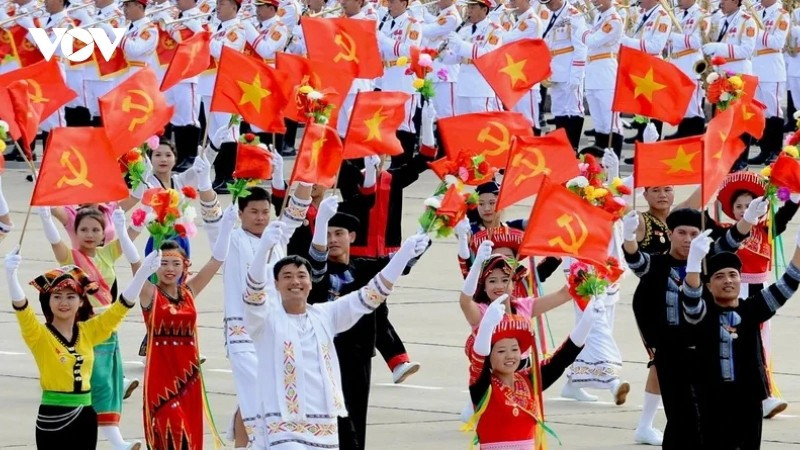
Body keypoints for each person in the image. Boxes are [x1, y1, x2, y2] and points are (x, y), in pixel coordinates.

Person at [242, 222, 429, 449]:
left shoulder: (325, 315)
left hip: (325, 431)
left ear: (310, 283)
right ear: (276, 284)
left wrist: (403, 255)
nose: (295, 281)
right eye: (287, 276)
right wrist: (263, 250)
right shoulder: (264, 321)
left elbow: (372, 294)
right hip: (283, 430)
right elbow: (253, 294)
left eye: (301, 276)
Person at [621, 198, 767, 448]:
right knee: (680, 417)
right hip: (671, 355)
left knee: (708, 419)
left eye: (693, 234)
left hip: (706, 354)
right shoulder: (657, 265)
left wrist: (750, 218)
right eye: (682, 233)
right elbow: (635, 258)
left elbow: (731, 240)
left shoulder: (705, 262)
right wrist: (628, 235)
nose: (688, 239)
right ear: (670, 234)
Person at [4, 248, 158, 448]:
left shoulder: (88, 331)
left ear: (81, 301)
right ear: (48, 301)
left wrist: (141, 275)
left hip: (86, 416)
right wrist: (11, 277)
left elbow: (119, 309)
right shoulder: (39, 335)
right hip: (53, 419)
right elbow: (22, 310)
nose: (64, 302)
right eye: (57, 296)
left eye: (70, 296)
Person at [306, 201, 429, 448]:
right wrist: (320, 222)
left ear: (351, 237)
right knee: (329, 421)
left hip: (358, 357)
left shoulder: (362, 268)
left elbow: (397, 266)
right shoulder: (314, 272)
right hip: (326, 355)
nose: (333, 240)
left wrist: (421, 238)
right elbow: (317, 265)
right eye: (327, 234)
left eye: (338, 233)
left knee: (355, 418)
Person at [207, 178, 312, 448]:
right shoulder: (231, 239)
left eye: (265, 211)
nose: (260, 217)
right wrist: (205, 183)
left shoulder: (277, 237)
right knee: (256, 391)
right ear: (240, 213)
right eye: (253, 211)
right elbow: (211, 216)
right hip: (241, 334)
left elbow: (298, 208)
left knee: (262, 394)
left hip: (275, 333)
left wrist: (308, 175)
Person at [680, 228, 800, 448]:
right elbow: (690, 299)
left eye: (733, 275)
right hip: (711, 403)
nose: (728, 280)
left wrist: (799, 247)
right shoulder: (702, 314)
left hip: (749, 401)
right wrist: (694, 264)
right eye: (719, 276)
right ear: (709, 286)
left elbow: (787, 284)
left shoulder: (753, 309)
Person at [38, 206, 143, 450]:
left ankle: (112, 440)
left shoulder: (108, 254)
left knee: (109, 383)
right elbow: (55, 242)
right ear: (75, 232)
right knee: (96, 383)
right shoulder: (71, 257)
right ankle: (114, 442)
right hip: (84, 330)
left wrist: (139, 214)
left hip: (109, 328)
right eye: (84, 229)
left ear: (103, 233)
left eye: (96, 229)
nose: (90, 234)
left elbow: (131, 237)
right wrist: (46, 218)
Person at [137, 207, 237, 449]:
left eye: (175, 263)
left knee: (189, 438)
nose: (169, 268)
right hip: (162, 381)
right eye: (163, 263)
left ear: (185, 266)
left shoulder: (189, 292)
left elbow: (216, 261)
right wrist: (124, 231)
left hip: (188, 379)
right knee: (172, 435)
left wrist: (226, 227)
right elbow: (135, 266)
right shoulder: (149, 294)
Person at [464, 294, 604, 448]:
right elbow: (479, 362)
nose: (510, 356)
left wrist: (586, 323)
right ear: (489, 356)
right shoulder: (484, 387)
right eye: (501, 351)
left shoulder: (527, 381)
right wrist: (486, 327)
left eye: (514, 349)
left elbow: (560, 361)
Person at [715, 171, 800, 418]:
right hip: (736, 292)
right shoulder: (728, 232)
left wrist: (792, 194)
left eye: (748, 205)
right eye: (739, 206)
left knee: (762, 343)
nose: (744, 210)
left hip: (760, 293)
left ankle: (765, 393)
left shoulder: (766, 228)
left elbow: (785, 214)